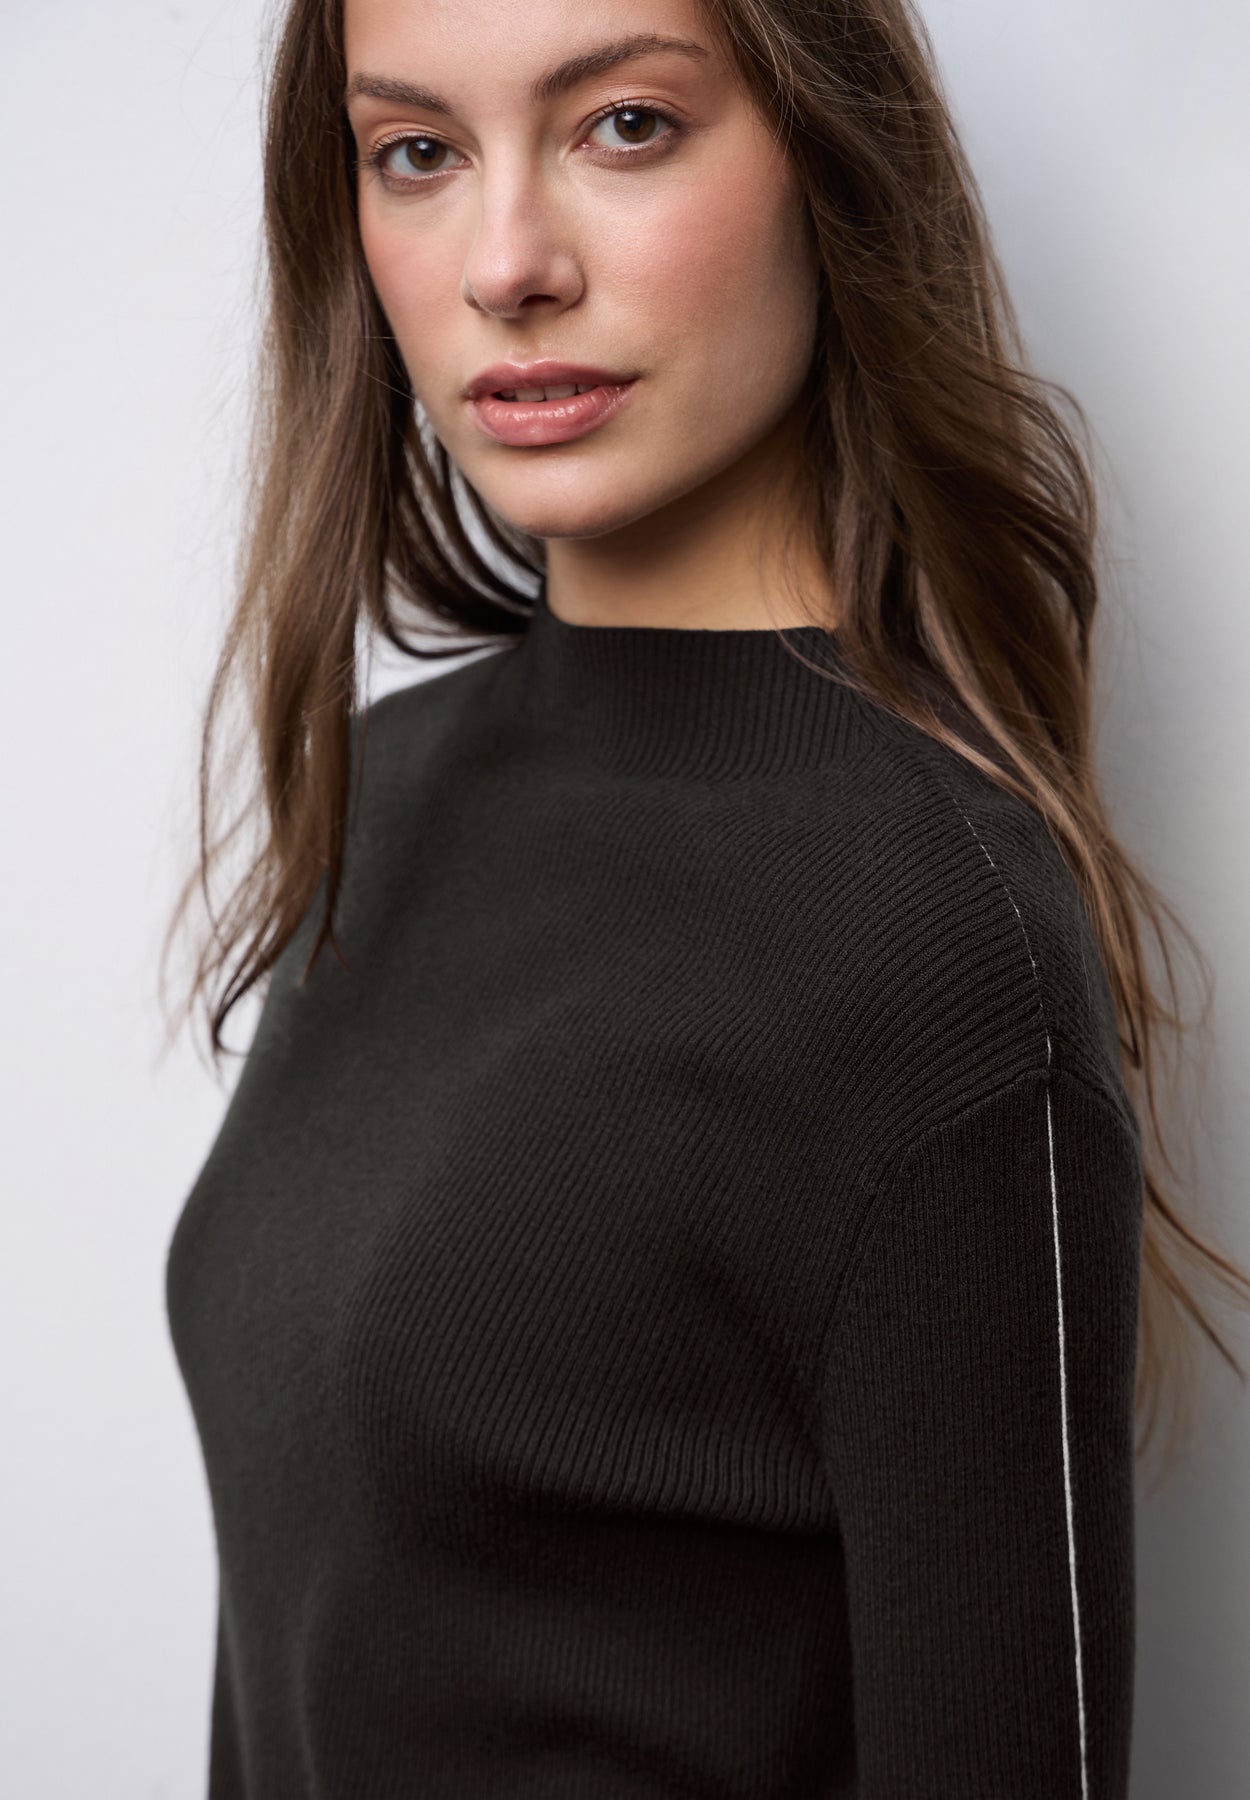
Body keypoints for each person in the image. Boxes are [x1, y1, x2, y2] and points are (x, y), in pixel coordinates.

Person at [161, 1, 1250, 1795]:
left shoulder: (933, 944)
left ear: (833, 157)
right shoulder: (391, 788)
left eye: (625, 125)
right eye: (416, 153)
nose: (506, 264)